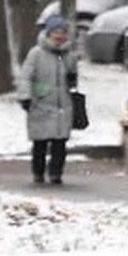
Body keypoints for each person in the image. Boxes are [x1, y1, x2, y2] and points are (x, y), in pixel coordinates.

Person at [16, 13, 78, 185]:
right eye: (56, 32)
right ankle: (38, 172)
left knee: (60, 143)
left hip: (62, 104)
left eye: (62, 32)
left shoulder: (68, 54)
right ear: (48, 33)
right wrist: (25, 97)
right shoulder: (36, 54)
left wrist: (72, 77)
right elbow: (26, 76)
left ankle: (56, 174)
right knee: (40, 143)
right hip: (40, 103)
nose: (59, 36)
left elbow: (72, 76)